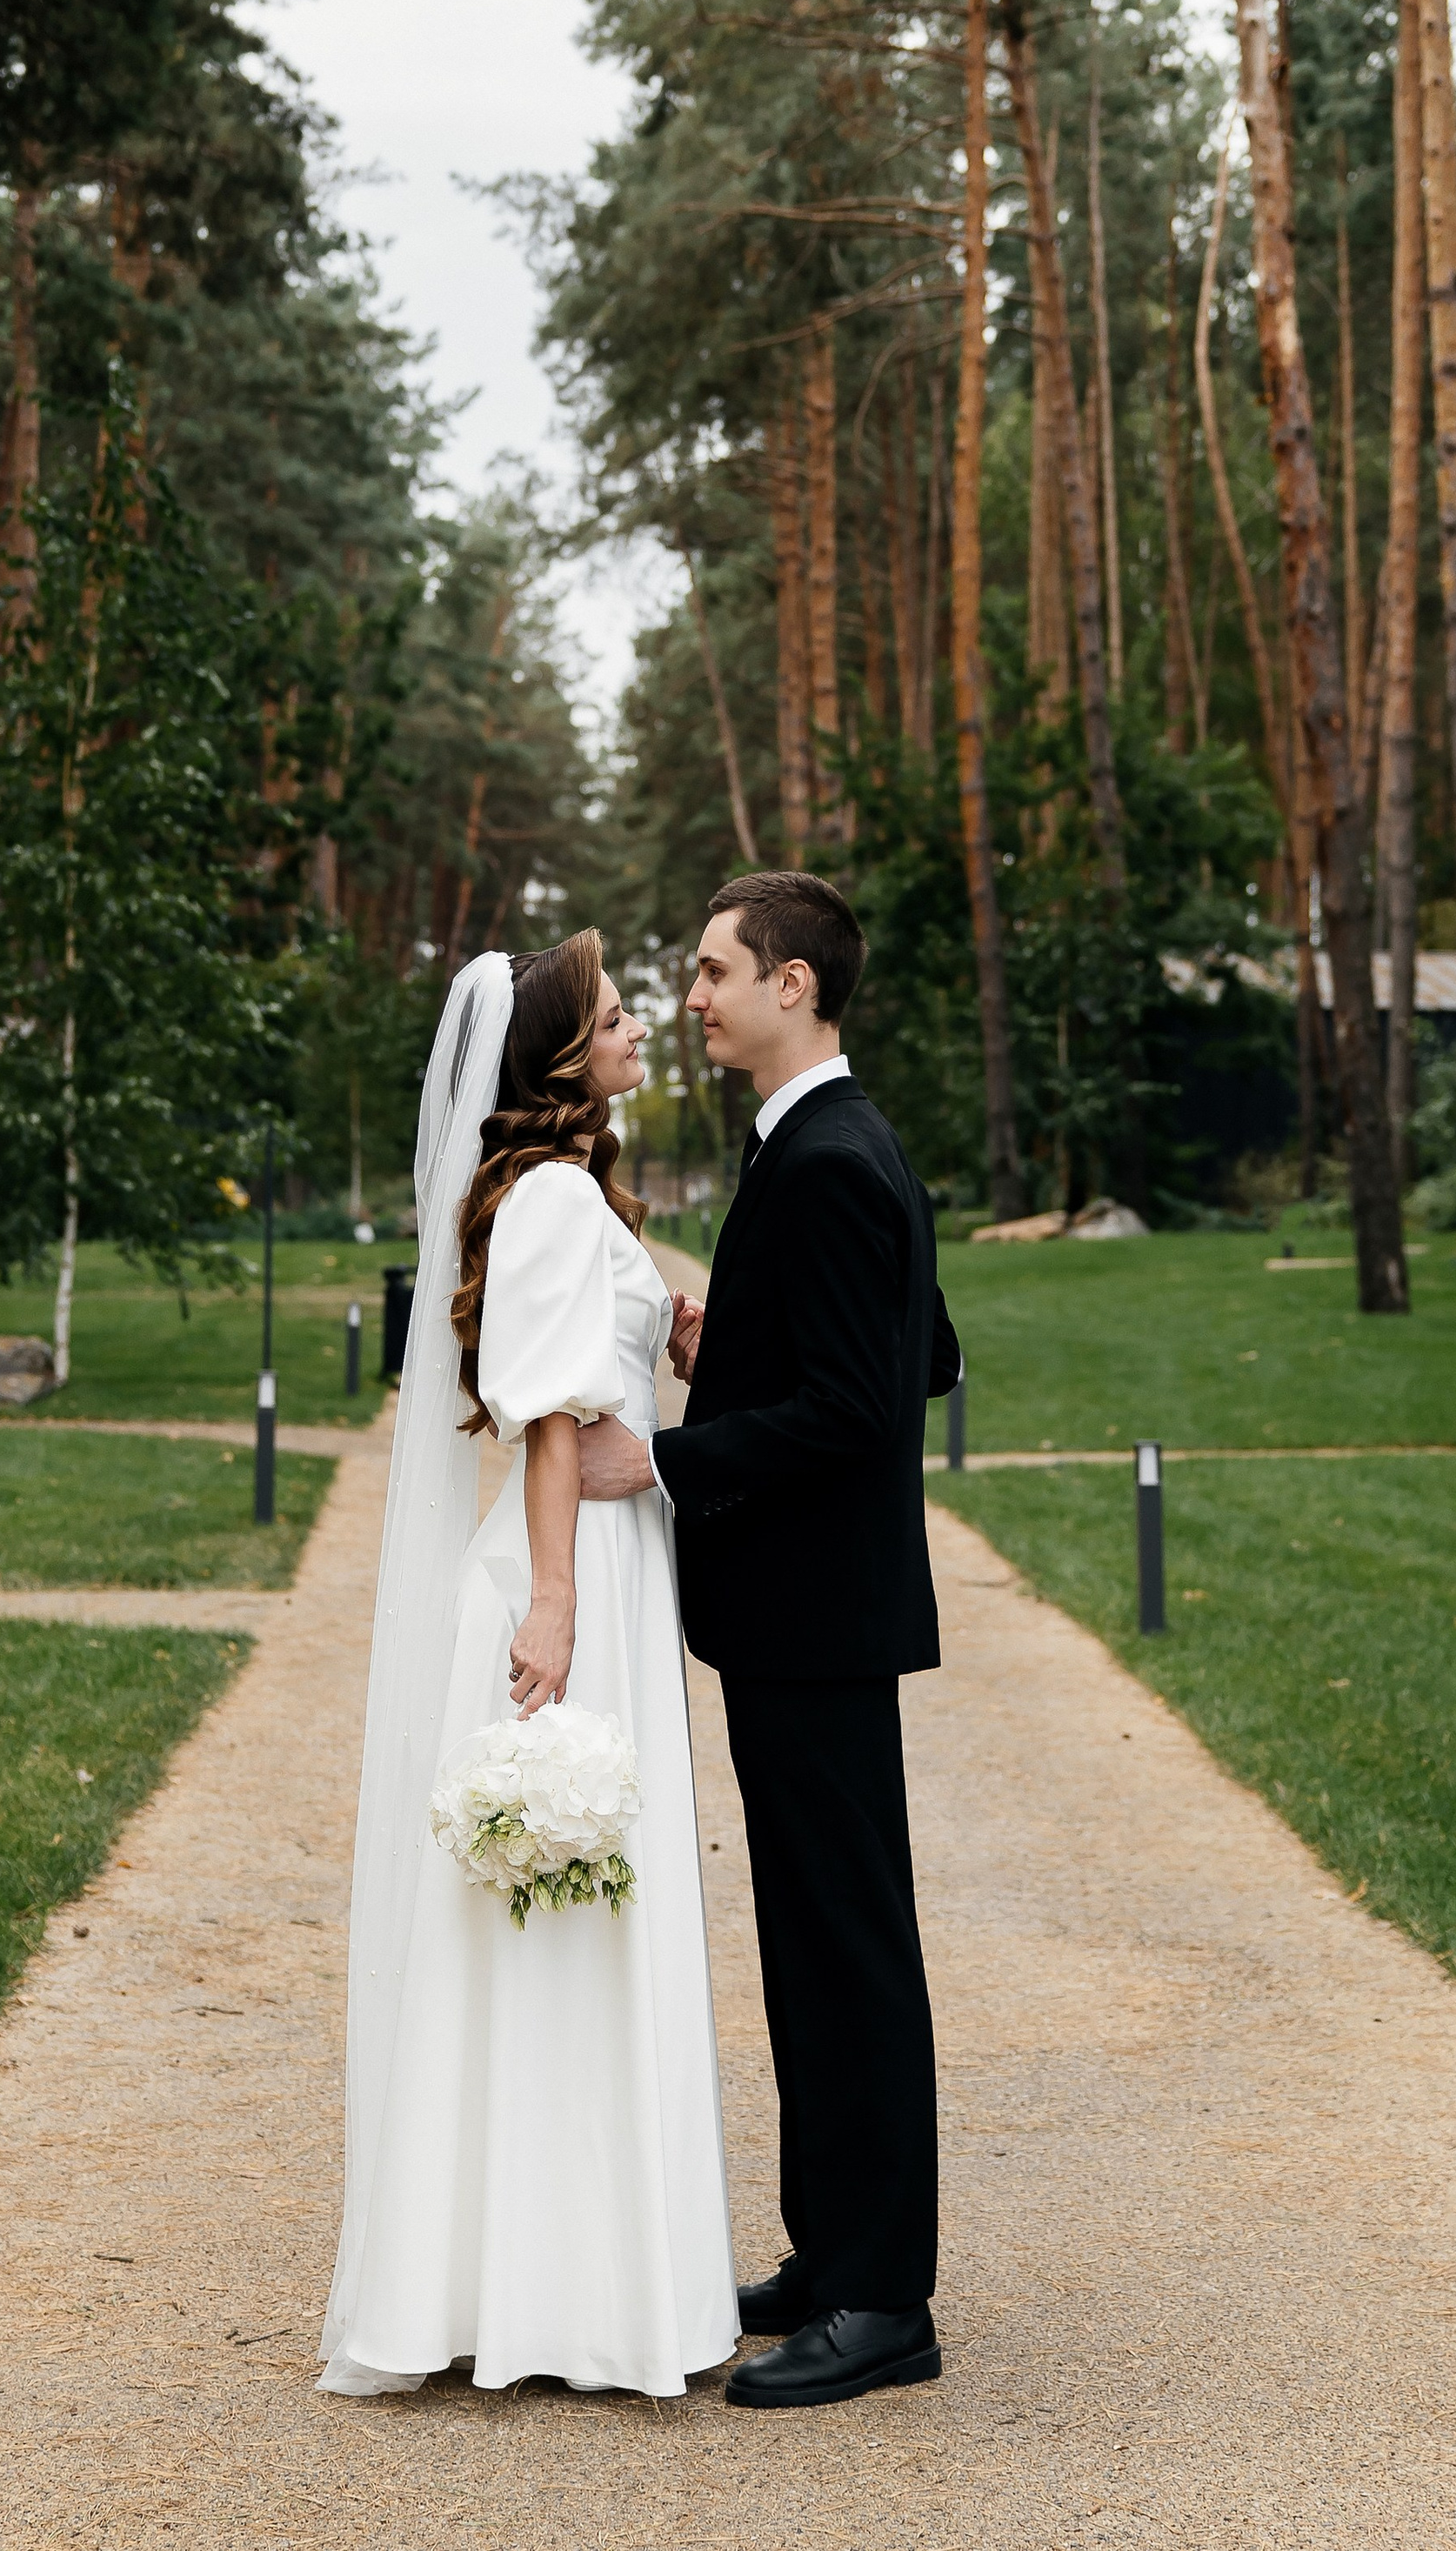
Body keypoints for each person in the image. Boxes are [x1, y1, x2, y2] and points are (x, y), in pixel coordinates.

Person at [318, 932, 738, 2399]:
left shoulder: (570, 1197)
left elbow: (593, 1379)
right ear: (561, 1055)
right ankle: (555, 2292)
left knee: (571, 1902)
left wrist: (669, 1340)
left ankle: (556, 2279)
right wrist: (556, 1601)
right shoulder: (555, 1195)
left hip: (600, 1558)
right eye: (623, 1018)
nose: (643, 1032)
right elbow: (553, 1420)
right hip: (576, 1574)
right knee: (562, 1901)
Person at [578, 870, 961, 2411]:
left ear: (795, 985)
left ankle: (886, 2301)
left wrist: (662, 1458)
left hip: (819, 1616)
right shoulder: (827, 1146)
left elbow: (866, 1405)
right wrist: (719, 1340)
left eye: (714, 969)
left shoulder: (831, 1158)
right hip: (808, 1616)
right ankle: (831, 2251)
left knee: (848, 1946)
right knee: (811, 1942)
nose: (692, 996)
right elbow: (923, 1348)